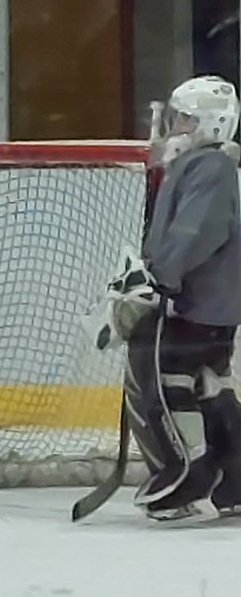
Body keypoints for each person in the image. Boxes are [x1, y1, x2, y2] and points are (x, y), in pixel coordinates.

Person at [105, 75, 241, 521]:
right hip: (209, 302)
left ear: (209, 123)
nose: (174, 126)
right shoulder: (200, 164)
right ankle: (233, 484)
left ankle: (185, 480)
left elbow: (197, 230)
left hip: (200, 302)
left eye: (183, 117)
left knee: (159, 369)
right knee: (209, 384)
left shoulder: (210, 167)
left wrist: (162, 277)